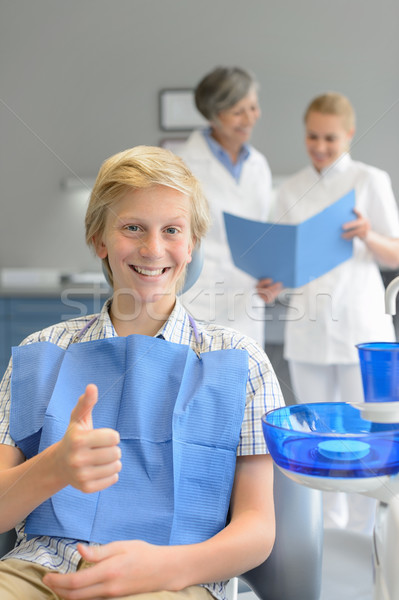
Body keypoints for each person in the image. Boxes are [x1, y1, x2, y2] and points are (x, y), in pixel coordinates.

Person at [0, 146, 284, 600]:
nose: (153, 249)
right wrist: (53, 468)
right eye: (133, 227)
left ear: (191, 244)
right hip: (42, 572)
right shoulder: (44, 351)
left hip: (175, 579)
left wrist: (165, 569)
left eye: (171, 230)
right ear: (100, 240)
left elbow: (257, 528)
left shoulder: (240, 362)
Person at [272, 92, 399, 532]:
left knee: (365, 434)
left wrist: (367, 234)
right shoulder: (288, 189)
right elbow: (280, 262)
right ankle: (325, 533)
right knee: (316, 433)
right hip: (307, 329)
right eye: (312, 136)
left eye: (329, 137)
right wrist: (271, 279)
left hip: (360, 329)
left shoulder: (370, 179)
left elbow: (396, 253)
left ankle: (364, 530)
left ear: (348, 134)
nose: (320, 146)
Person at [179, 66, 281, 349]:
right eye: (238, 111)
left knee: (248, 385)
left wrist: (272, 276)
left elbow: (260, 234)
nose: (250, 118)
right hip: (200, 299)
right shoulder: (182, 164)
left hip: (248, 299)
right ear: (214, 116)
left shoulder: (258, 165)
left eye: (253, 107)